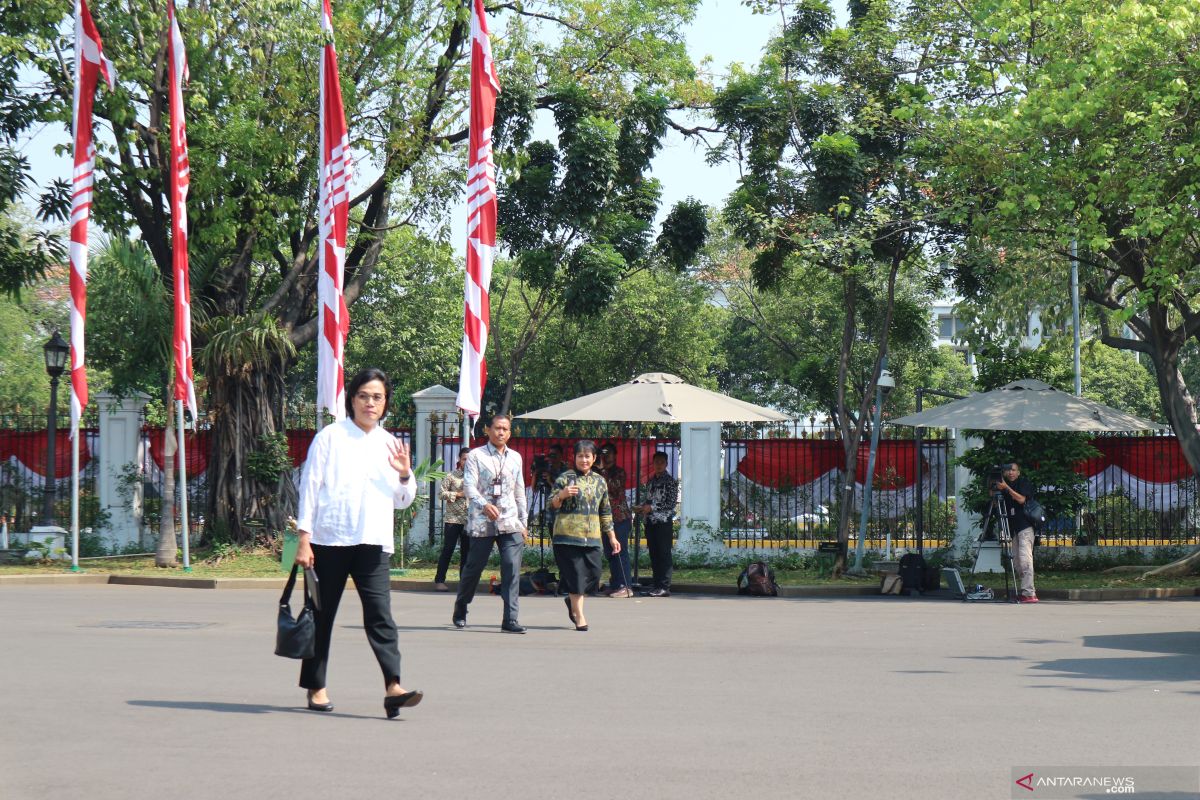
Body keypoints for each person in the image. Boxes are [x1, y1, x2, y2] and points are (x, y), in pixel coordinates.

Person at [294, 367, 423, 718]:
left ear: (385, 403)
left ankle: (393, 686)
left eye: (377, 397)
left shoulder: (390, 443)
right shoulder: (330, 437)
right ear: (351, 399)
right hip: (329, 541)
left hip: (373, 543)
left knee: (381, 616)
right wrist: (304, 539)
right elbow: (310, 488)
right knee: (321, 615)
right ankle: (316, 686)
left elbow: (404, 499)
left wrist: (404, 472)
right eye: (364, 395)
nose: (370, 402)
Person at [452, 413, 530, 633]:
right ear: (488, 430)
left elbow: (519, 491)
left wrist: (523, 522)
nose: (501, 432)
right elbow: (469, 487)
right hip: (482, 520)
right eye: (497, 428)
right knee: (473, 568)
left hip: (510, 521)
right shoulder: (476, 456)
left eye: (505, 429)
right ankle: (461, 607)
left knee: (511, 567)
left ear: (510, 432)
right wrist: (484, 504)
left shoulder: (516, 457)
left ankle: (510, 619)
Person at [550, 440, 620, 630]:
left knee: (594, 574)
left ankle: (571, 602)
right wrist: (562, 495)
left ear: (594, 458)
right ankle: (579, 615)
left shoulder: (600, 481)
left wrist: (612, 536)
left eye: (587, 456)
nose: (583, 460)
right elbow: (551, 504)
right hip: (567, 537)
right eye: (580, 456)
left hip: (593, 538)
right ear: (574, 458)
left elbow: (605, 510)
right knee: (577, 578)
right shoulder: (565, 478)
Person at [995, 461, 1038, 603]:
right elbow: (995, 501)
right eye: (1008, 470)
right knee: (1017, 562)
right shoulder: (1004, 487)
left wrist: (1006, 487)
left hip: (1025, 526)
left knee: (1025, 559)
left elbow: (1021, 499)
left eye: (1013, 470)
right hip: (1013, 529)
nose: (1011, 472)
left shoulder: (1023, 483)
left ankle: (1030, 594)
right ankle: (1024, 591)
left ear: (1018, 472)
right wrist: (993, 486)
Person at [637, 451, 678, 597]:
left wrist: (652, 507)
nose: (659, 465)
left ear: (666, 464)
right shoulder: (651, 481)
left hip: (663, 522)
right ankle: (656, 584)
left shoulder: (670, 481)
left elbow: (671, 503)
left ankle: (664, 586)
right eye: (656, 462)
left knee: (664, 554)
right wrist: (642, 507)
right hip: (650, 522)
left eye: (661, 462)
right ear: (653, 464)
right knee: (654, 554)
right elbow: (649, 500)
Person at [598, 442, 633, 598]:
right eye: (603, 453)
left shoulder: (619, 472)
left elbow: (612, 487)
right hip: (606, 520)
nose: (606, 456)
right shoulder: (597, 472)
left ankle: (626, 586)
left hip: (620, 518)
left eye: (609, 453)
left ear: (615, 455)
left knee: (620, 552)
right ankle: (616, 584)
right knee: (610, 553)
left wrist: (601, 470)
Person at [433, 449, 471, 591]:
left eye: (469, 459)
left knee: (466, 552)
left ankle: (464, 582)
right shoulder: (451, 476)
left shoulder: (475, 477)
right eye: (464, 459)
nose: (467, 462)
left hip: (468, 520)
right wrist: (458, 494)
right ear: (459, 460)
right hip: (453, 519)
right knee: (448, 549)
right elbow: (441, 494)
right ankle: (439, 580)